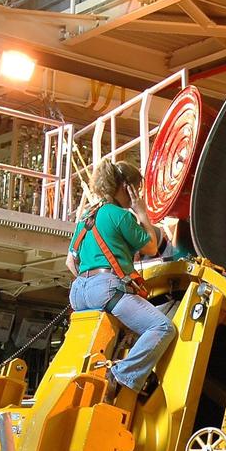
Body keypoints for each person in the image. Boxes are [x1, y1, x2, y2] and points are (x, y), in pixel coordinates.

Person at [66, 159, 176, 395]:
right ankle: (121, 375)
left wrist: (90, 283)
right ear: (127, 187)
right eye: (137, 189)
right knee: (162, 327)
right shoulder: (120, 216)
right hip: (106, 290)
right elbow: (151, 247)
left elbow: (70, 262)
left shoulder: (87, 217)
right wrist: (141, 212)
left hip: (78, 292)